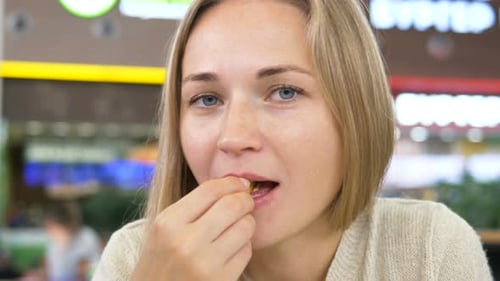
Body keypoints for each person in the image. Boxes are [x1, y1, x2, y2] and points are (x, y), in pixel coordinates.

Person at [92, 0, 493, 280]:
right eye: (207, 99)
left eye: (284, 92)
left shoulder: (427, 250)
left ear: (354, 112)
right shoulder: (137, 260)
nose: (234, 137)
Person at [42, 201, 101, 281]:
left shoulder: (86, 237)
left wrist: (85, 268)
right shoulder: (53, 242)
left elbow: (97, 269)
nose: (50, 233)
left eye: (53, 228)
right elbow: (52, 271)